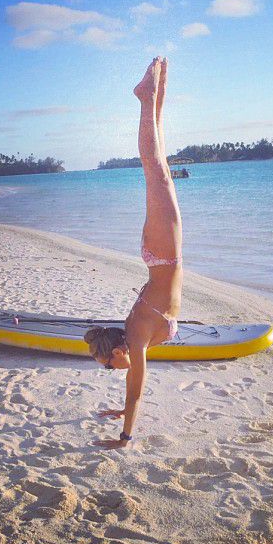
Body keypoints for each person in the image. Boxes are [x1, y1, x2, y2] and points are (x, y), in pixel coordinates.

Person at [85, 57, 183, 449]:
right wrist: (123, 414)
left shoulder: (137, 338)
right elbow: (133, 394)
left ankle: (148, 98)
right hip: (161, 255)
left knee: (155, 168)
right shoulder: (135, 338)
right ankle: (156, 93)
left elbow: (135, 392)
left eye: (108, 366)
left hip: (164, 254)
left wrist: (125, 436)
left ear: (117, 353)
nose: (114, 371)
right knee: (162, 170)